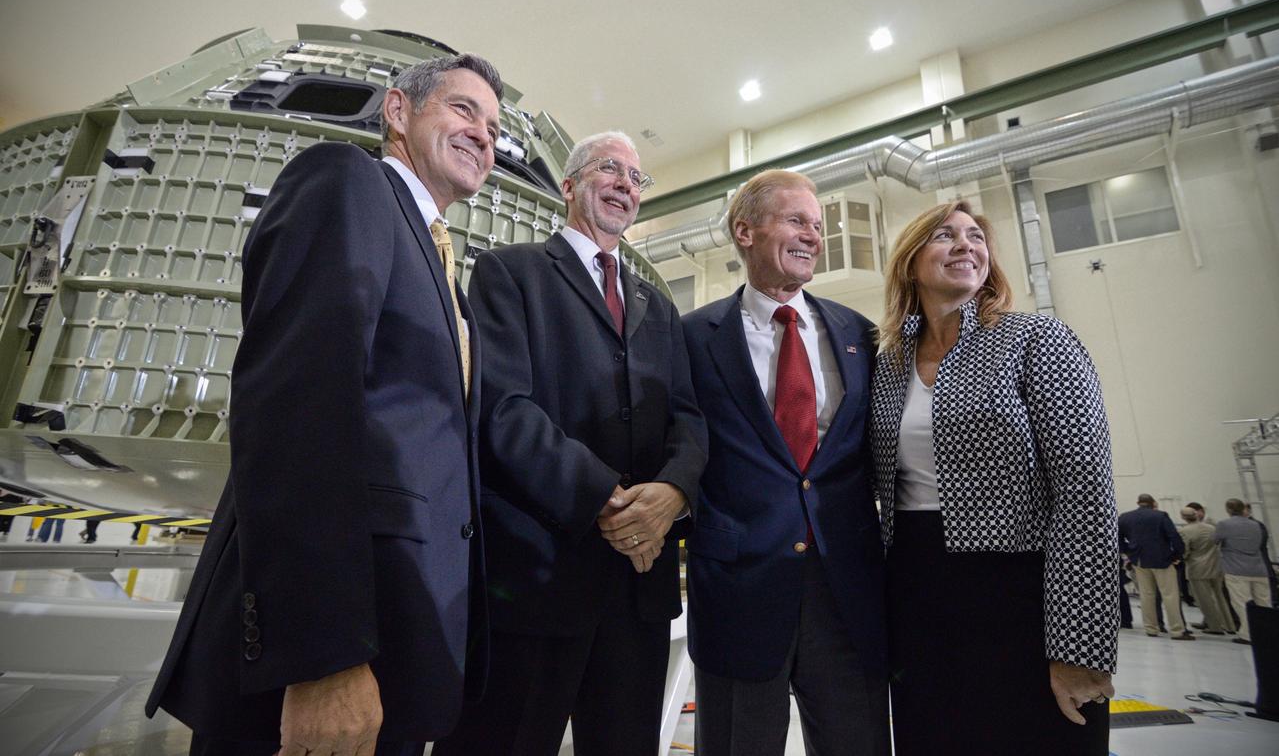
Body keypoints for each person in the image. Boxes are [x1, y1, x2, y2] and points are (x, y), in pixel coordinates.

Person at [144, 53, 504, 755]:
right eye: (464, 110)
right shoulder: (346, 181)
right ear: (397, 111)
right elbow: (296, 409)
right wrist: (321, 656)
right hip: (324, 658)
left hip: (398, 647)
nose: (484, 135)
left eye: (493, 126)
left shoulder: (447, 274)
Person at [433, 131, 706, 756]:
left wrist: (671, 494)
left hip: (639, 582)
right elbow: (504, 409)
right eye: (610, 169)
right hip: (538, 579)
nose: (625, 186)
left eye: (637, 179)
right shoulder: (511, 273)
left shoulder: (657, 307)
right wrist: (608, 500)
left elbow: (689, 420)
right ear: (570, 185)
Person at [870, 200, 1117, 756]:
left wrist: (1080, 644)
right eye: (944, 235)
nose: (966, 244)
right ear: (911, 261)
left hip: (1019, 589)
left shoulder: (1037, 340)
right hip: (915, 588)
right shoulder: (887, 361)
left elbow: (1086, 492)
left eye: (975, 235)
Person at [681, 169, 888, 756]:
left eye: (817, 226)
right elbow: (680, 444)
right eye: (797, 220)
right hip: (737, 588)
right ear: (745, 231)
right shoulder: (694, 337)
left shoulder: (860, 335)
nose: (814, 236)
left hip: (845, 588)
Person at [1118, 495, 1192, 640]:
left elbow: (1117, 538)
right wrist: (1177, 555)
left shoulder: (1125, 517)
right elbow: (1174, 537)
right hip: (1162, 560)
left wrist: (1129, 551)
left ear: (1138, 503)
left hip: (1139, 561)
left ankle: (1151, 628)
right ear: (1153, 503)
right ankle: (1177, 630)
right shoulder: (1160, 516)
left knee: (1146, 596)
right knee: (1170, 595)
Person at [1216, 498, 1274, 645]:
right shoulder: (1257, 525)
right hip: (1259, 568)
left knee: (1242, 603)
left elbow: (1214, 540)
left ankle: (1248, 634)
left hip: (1236, 569)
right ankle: (1267, 633)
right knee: (1264, 603)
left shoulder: (1224, 524)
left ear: (1228, 510)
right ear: (1243, 509)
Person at [1178, 507, 1233, 634]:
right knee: (1219, 596)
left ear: (1183, 517)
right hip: (1215, 565)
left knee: (1205, 599)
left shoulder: (1184, 531)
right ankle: (1229, 625)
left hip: (1197, 568)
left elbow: (1184, 551)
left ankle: (1214, 626)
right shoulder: (1211, 528)